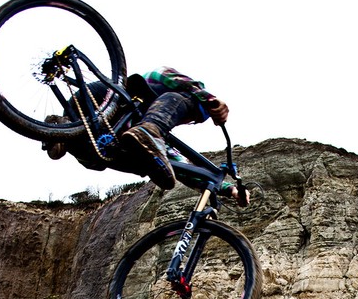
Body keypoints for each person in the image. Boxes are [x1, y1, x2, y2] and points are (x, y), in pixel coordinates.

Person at [45, 66, 248, 205]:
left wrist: (229, 190)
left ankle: (61, 133)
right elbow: (164, 74)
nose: (186, 120)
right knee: (191, 105)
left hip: (89, 139)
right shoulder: (158, 85)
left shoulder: (151, 138)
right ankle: (66, 132)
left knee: (152, 164)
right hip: (103, 101)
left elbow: (180, 165)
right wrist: (210, 100)